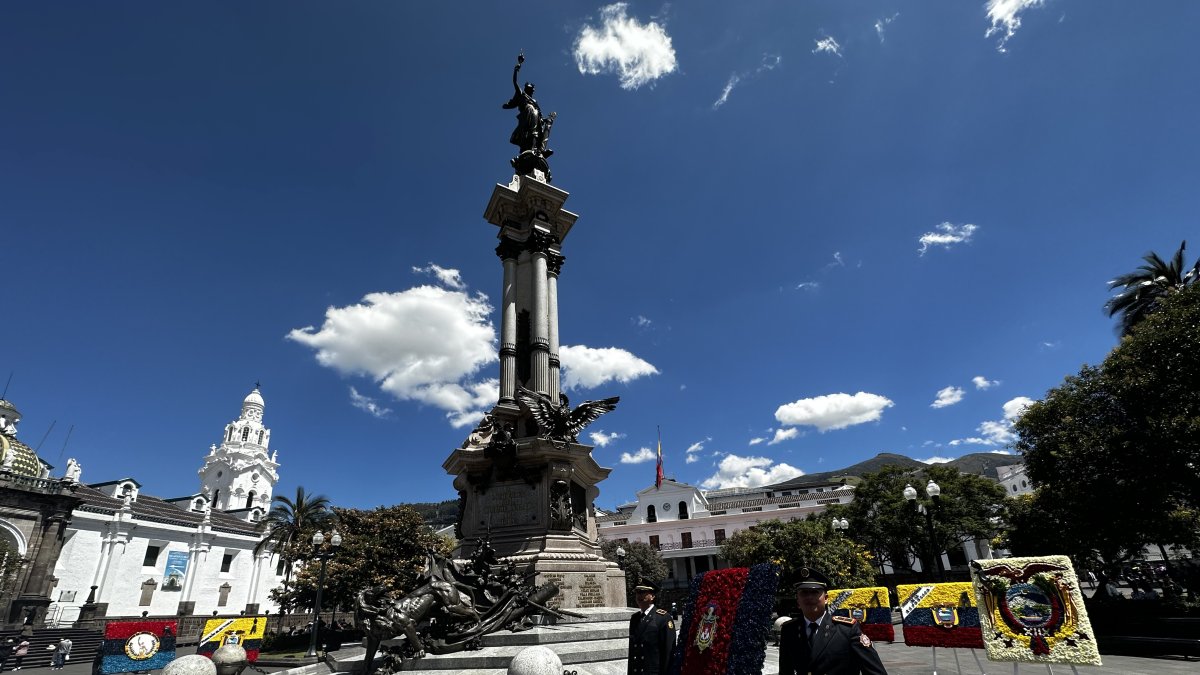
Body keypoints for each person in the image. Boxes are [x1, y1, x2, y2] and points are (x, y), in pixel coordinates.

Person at [778, 568, 888, 675]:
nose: (809, 597)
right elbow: (785, 671)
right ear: (797, 600)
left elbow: (876, 672)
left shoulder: (847, 629)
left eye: (815, 592)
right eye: (804, 593)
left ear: (826, 598)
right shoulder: (789, 630)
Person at [628, 581, 675, 675]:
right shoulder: (635, 618)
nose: (639, 596)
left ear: (652, 596)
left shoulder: (663, 618)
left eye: (643, 592)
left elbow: (668, 652)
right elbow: (632, 653)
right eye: (637, 592)